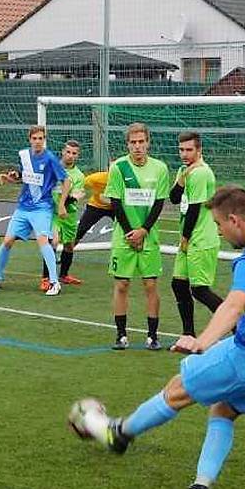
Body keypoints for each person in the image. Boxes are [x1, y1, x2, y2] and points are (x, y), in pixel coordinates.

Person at [75, 185, 245, 489]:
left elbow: (236, 303)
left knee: (177, 391)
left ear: (235, 220)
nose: (220, 233)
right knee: (223, 410)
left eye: (220, 226)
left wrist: (203, 341)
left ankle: (117, 433)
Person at [104, 122, 170, 350]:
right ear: (127, 144)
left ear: (148, 143)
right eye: (133, 142)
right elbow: (115, 201)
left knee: (150, 285)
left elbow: (159, 202)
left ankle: (153, 336)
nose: (138, 146)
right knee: (121, 284)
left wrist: (144, 231)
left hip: (149, 237)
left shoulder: (160, 168)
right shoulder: (118, 168)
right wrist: (131, 233)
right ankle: (121, 335)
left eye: (141, 142)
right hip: (124, 237)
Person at [0, 125, 70, 296]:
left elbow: (66, 181)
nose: (38, 142)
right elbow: (24, 176)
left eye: (41, 138)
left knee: (43, 241)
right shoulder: (23, 155)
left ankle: (54, 282)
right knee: (7, 241)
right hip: (23, 207)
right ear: (30, 139)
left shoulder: (50, 159)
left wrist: (61, 204)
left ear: (44, 140)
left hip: (42, 208)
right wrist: (11, 178)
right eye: (35, 138)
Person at [168, 132, 224, 344]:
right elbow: (174, 198)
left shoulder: (200, 173)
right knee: (178, 285)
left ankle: (238, 326)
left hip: (200, 238)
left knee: (199, 289)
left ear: (199, 151)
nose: (184, 154)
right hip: (190, 239)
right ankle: (188, 334)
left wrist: (185, 237)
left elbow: (193, 208)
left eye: (189, 150)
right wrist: (181, 180)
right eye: (181, 149)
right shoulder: (185, 170)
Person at [40, 140, 85, 289]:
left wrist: (69, 201)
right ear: (62, 152)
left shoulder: (78, 175)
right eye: (68, 152)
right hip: (52, 213)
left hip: (69, 215)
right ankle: (46, 278)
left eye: (74, 153)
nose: (70, 156)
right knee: (53, 241)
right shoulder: (52, 168)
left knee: (69, 246)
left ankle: (64, 275)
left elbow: (77, 194)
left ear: (78, 156)